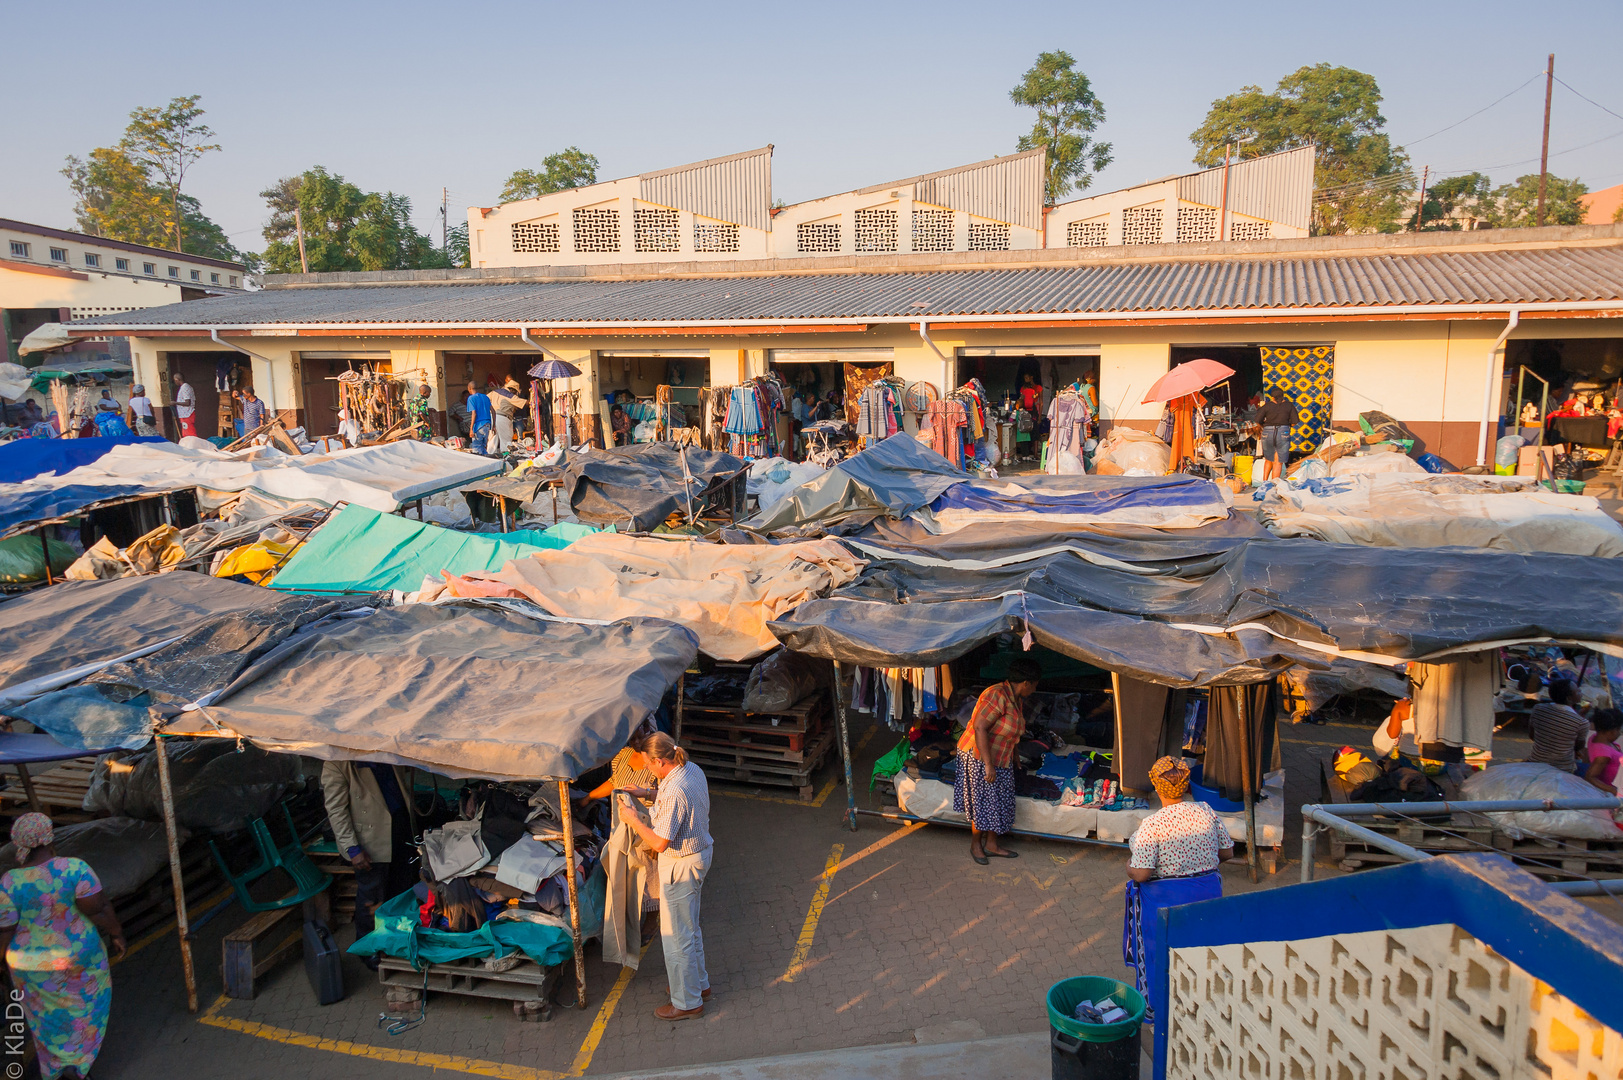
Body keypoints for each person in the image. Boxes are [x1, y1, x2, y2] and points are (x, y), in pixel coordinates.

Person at [0, 813, 125, 1080]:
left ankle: (57, 1065)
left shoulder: (10, 882)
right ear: (49, 837)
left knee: (45, 1014)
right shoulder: (74, 869)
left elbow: (5, 929)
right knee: (85, 1003)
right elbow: (99, 909)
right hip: (78, 956)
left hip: (31, 965)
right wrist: (116, 933)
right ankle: (79, 1064)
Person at [1122, 757, 1233, 1019]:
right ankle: (1204, 1007)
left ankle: (1159, 1013)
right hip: (1207, 898)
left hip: (1165, 905)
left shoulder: (1152, 825)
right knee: (1203, 951)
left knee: (1159, 956)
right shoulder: (1206, 810)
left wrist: (1129, 865)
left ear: (1157, 788)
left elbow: (1142, 873)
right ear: (1185, 786)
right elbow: (1227, 852)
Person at [620, 732, 712, 1021]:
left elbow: (660, 843)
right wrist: (647, 794)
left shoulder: (673, 791)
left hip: (680, 866)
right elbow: (675, 805)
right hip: (699, 855)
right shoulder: (690, 769)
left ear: (660, 761)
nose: (647, 768)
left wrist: (633, 820)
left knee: (676, 936)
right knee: (690, 926)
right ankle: (699, 985)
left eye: (648, 763)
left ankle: (687, 1002)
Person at [321, 761, 417, 967]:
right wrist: (352, 849)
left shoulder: (383, 751)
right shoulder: (337, 764)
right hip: (371, 842)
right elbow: (336, 810)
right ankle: (368, 947)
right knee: (372, 895)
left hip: (400, 828)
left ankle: (396, 941)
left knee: (400, 890)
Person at [955, 657, 1042, 864]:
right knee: (982, 801)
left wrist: (1014, 755)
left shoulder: (1016, 699)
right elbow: (980, 727)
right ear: (1026, 683)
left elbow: (1012, 730)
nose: (1035, 690)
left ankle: (992, 844)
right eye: (1035, 686)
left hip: (1000, 756)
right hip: (978, 755)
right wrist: (987, 764)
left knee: (999, 801)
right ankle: (976, 845)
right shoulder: (997, 695)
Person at [588, 730, 662, 941]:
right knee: (626, 872)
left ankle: (650, 922)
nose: (637, 743)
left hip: (648, 825)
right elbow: (613, 782)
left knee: (650, 874)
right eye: (632, 738)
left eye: (640, 737)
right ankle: (628, 921)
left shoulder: (656, 761)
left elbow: (664, 794)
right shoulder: (622, 755)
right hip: (620, 824)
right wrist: (587, 798)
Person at [1528, 679, 1591, 773]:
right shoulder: (1581, 722)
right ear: (1569, 698)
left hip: (1536, 761)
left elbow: (1532, 735)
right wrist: (1581, 715)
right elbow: (1578, 746)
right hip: (1563, 768)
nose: (1580, 692)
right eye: (1577, 691)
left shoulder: (1538, 709)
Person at [1254, 387, 1297, 482]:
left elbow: (1257, 420)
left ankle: (1264, 482)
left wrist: (1263, 427)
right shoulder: (1289, 406)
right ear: (1283, 396)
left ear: (1272, 397)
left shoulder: (1267, 406)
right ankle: (1274, 485)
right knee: (1278, 461)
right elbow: (1294, 422)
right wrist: (1286, 425)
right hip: (1283, 432)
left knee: (1268, 459)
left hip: (1267, 432)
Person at [490, 377, 522, 453]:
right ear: (512, 390)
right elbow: (523, 403)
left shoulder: (494, 392)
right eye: (515, 392)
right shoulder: (510, 395)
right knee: (506, 442)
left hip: (492, 417)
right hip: (503, 418)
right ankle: (506, 458)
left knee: (492, 441)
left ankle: (490, 458)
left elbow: (485, 400)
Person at [466, 380, 493, 455]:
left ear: (469, 388)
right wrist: (493, 426)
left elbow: (474, 414)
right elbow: (493, 411)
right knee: (484, 447)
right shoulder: (485, 397)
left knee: (477, 448)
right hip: (487, 425)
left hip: (479, 426)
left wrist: (471, 429)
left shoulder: (471, 398)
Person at [170, 371, 197, 439]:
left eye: (175, 380)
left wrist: (175, 403)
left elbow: (187, 402)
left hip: (187, 414)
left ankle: (193, 447)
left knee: (190, 434)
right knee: (186, 434)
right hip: (184, 414)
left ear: (177, 379)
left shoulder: (185, 387)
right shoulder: (184, 387)